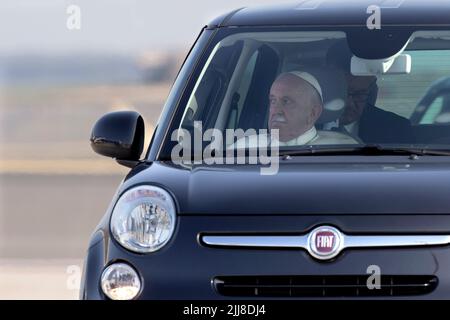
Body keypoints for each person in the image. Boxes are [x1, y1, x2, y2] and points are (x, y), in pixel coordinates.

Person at [233, 71, 358, 148]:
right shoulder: (244, 148)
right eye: (273, 101)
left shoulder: (342, 151)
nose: (276, 110)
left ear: (313, 113)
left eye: (286, 101)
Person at [326, 41, 415, 144]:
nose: (350, 103)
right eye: (341, 93)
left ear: (372, 90)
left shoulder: (396, 129)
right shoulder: (303, 122)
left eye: (359, 94)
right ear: (325, 85)